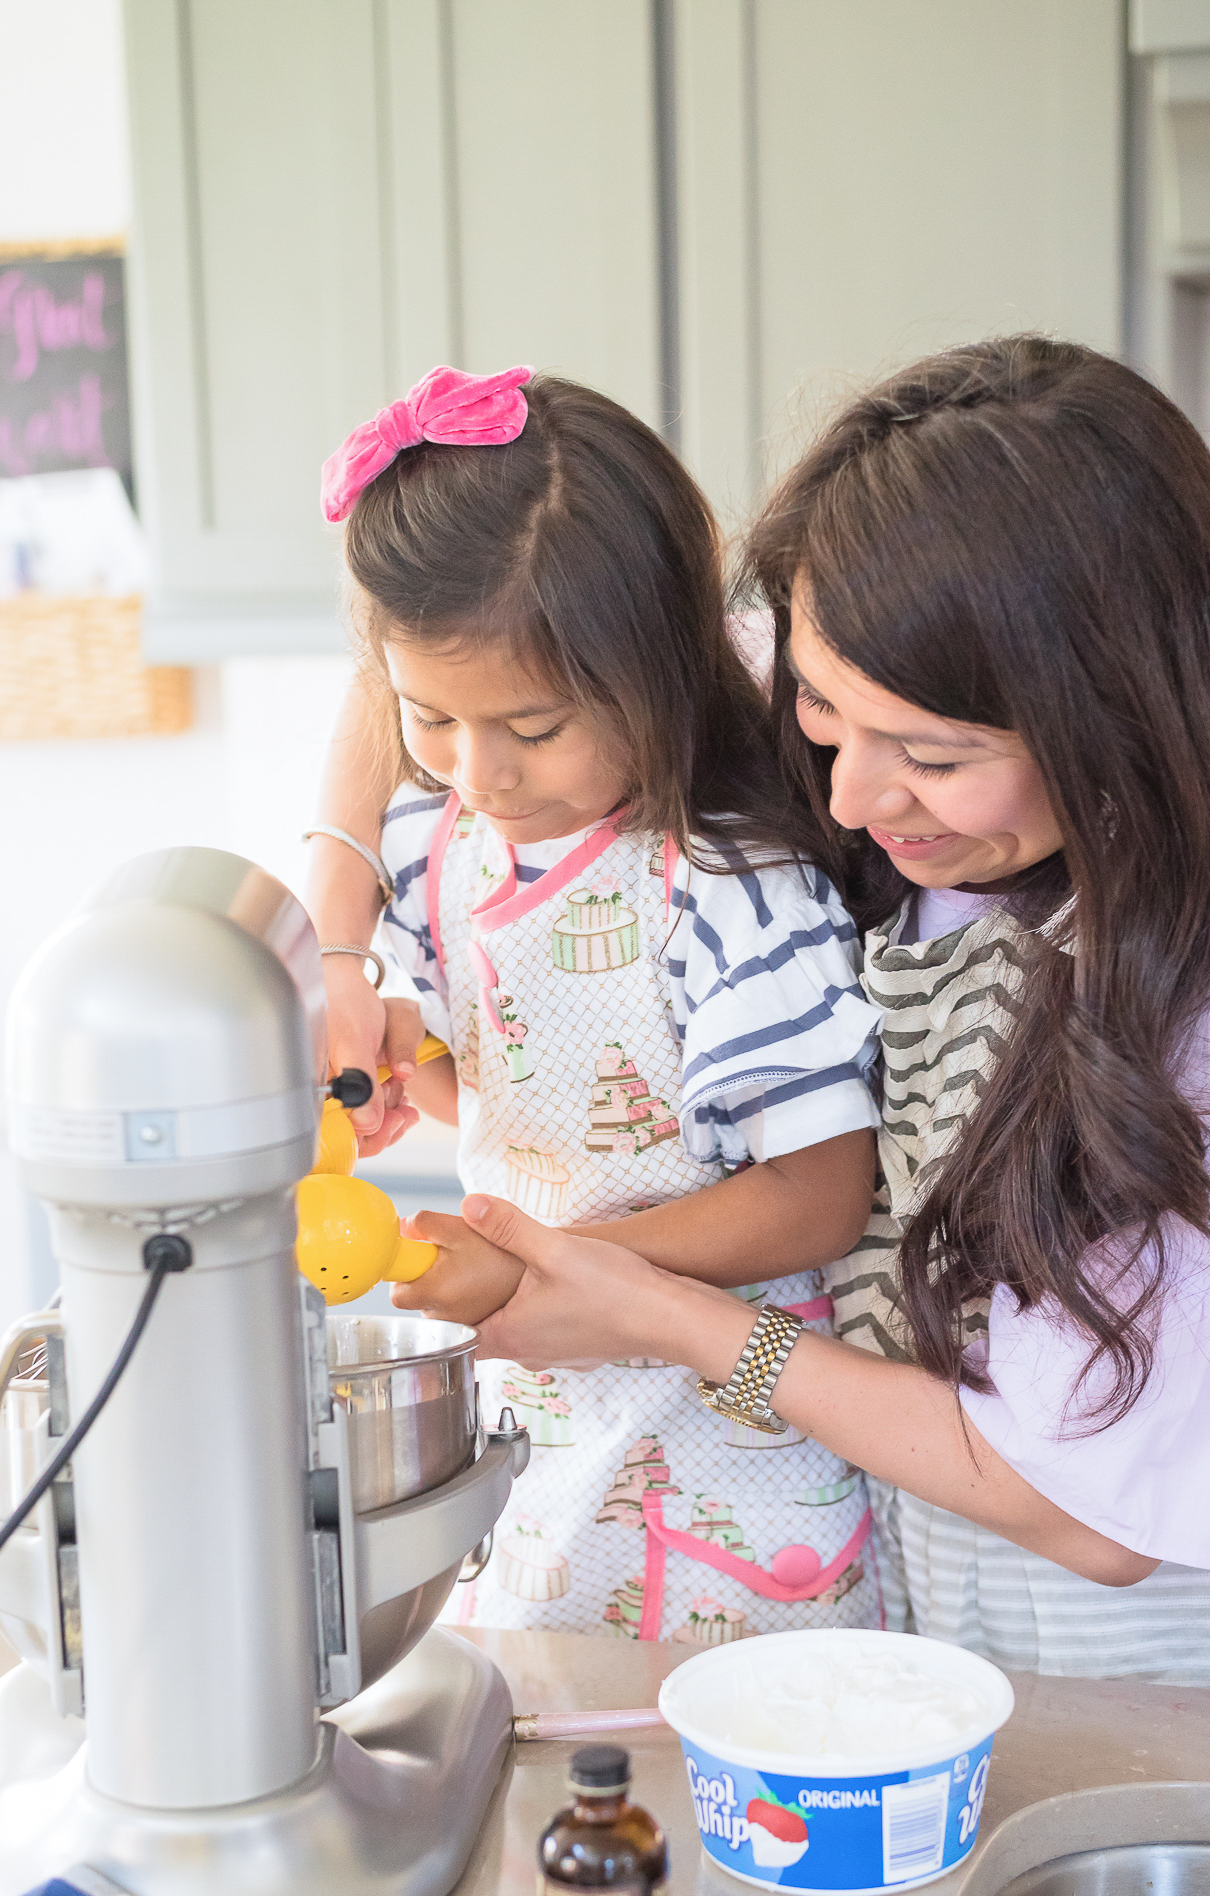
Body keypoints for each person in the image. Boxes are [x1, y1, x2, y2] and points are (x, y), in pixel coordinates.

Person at [442, 337, 1210, 1701]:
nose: (849, 798)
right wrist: (331, 920)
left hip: (1201, 1676)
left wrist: (675, 1317)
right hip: (958, 1614)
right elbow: (481, 616)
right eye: (822, 713)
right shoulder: (911, 719)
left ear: (1110, 717)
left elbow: (1091, 1513)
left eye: (932, 757)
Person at [306, 361, 886, 1640]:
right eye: (432, 719)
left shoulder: (732, 884)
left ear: (657, 670)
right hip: (549, 1476)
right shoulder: (438, 844)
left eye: (536, 723)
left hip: (735, 1490)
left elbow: (818, 1191)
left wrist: (550, 1266)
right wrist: (431, 1067)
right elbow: (562, 1114)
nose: (481, 772)